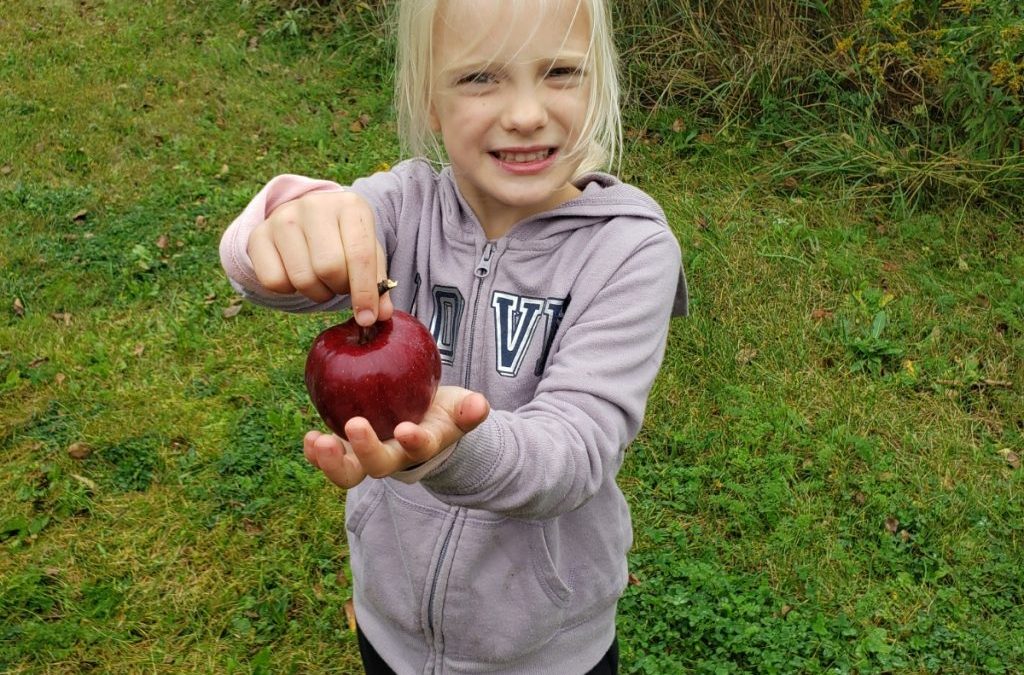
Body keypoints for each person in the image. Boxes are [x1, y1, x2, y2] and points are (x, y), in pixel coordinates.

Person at [220, 0, 687, 672]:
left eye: (560, 72)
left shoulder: (629, 252)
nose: (526, 112)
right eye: (479, 79)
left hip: (546, 652)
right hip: (392, 630)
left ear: (601, 83)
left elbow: (575, 448)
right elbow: (274, 268)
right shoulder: (405, 208)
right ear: (429, 100)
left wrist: (452, 449)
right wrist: (291, 218)